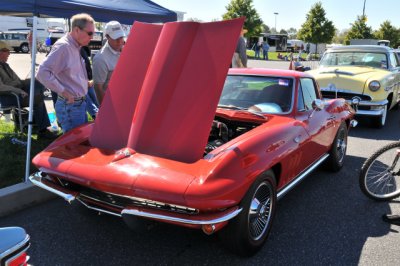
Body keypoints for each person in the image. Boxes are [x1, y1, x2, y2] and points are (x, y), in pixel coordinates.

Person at [36, 13, 95, 133]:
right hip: (71, 107)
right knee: (73, 147)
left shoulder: (74, 46)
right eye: (90, 33)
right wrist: (64, 91)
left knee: (78, 144)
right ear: (77, 30)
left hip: (77, 105)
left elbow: (69, 73)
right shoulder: (64, 46)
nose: (92, 37)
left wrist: (84, 83)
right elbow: (42, 72)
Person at [0, 41, 57, 139]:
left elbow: (17, 81)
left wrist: (32, 81)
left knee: (38, 82)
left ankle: (42, 128)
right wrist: (19, 90)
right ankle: (42, 131)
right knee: (37, 100)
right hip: (9, 97)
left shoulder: (5, 65)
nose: (9, 53)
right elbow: (1, 87)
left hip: (16, 92)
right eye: (7, 51)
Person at [92, 20, 125, 104]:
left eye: (121, 37)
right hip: (111, 103)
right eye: (115, 38)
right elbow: (98, 88)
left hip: (125, 99)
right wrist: (106, 110)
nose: (119, 41)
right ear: (107, 36)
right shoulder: (100, 59)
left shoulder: (126, 49)